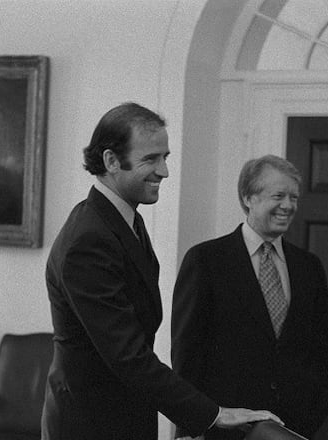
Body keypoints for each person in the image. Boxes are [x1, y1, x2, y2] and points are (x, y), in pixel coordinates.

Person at [41, 103, 281, 440]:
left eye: (164, 157)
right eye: (151, 159)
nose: (164, 171)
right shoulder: (89, 238)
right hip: (91, 425)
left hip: (123, 417)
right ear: (111, 161)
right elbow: (127, 355)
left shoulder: (124, 220)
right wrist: (213, 414)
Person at [171, 155, 328, 440]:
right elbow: (187, 355)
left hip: (292, 429)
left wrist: (311, 416)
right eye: (279, 196)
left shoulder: (309, 266)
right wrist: (191, 425)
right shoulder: (206, 260)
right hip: (222, 429)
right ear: (248, 197)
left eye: (294, 197)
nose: (288, 205)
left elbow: (325, 352)